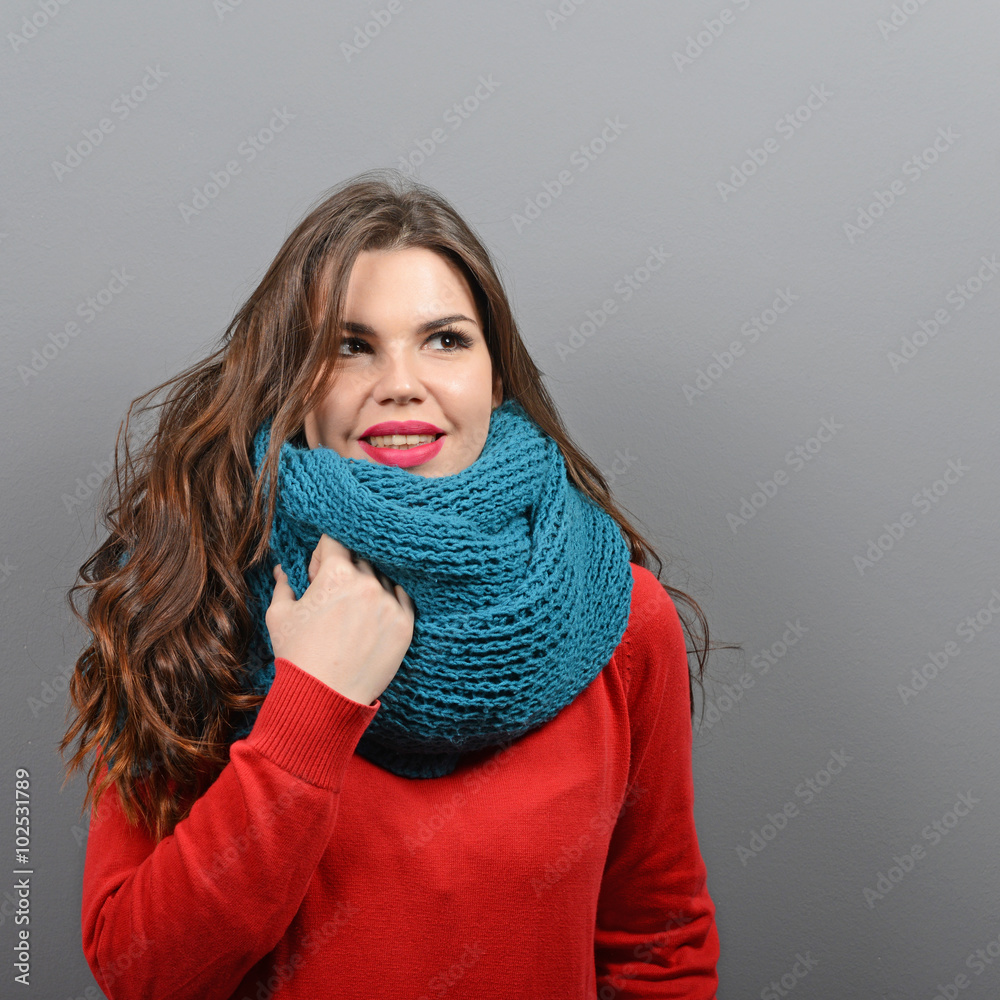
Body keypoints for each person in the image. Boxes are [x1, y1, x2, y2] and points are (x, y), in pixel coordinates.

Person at [60, 168, 722, 999]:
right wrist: (310, 704)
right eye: (349, 346)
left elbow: (659, 949)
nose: (400, 382)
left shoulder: (619, 620)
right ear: (292, 385)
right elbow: (140, 970)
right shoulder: (199, 597)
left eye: (445, 339)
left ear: (496, 375)